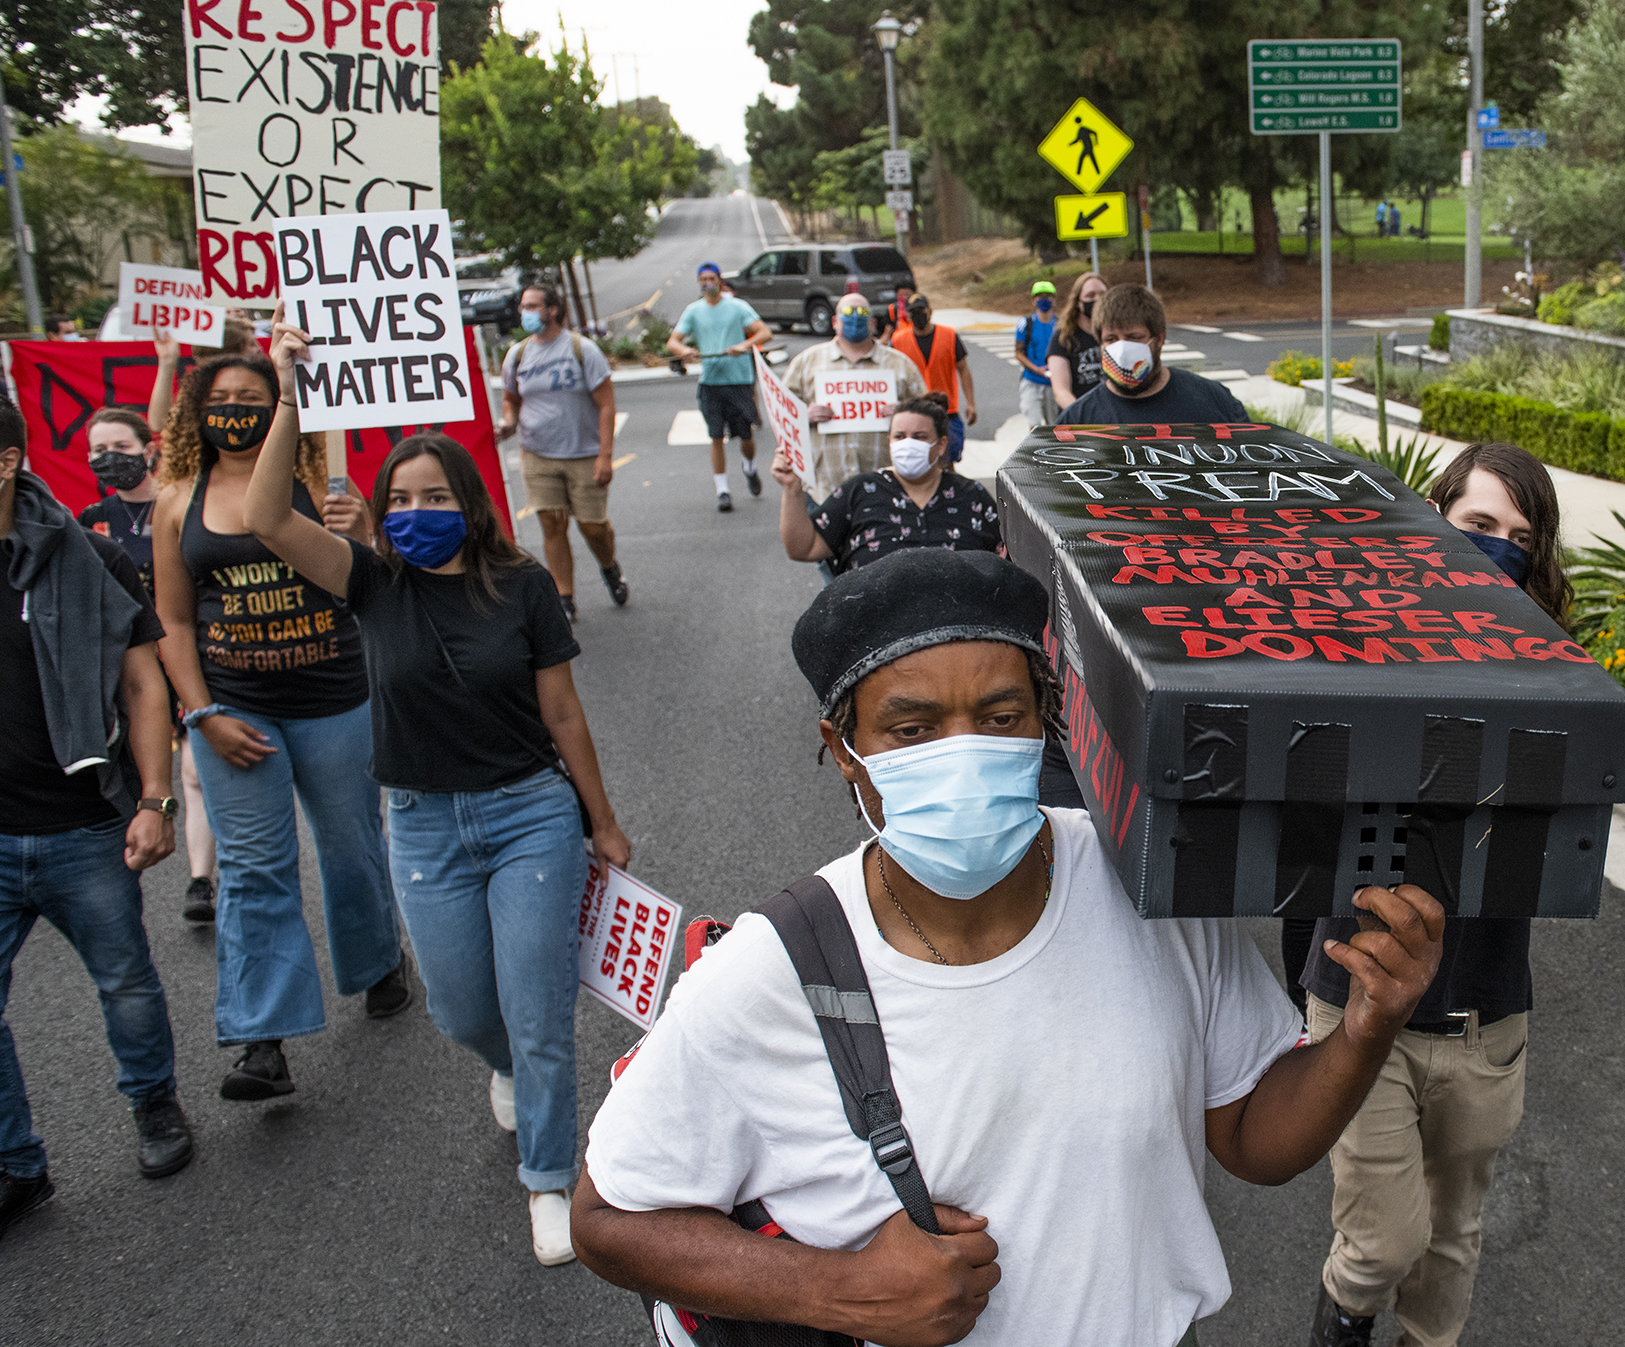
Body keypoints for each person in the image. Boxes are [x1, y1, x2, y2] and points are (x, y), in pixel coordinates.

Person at [570, 547, 1445, 1344]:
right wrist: (835, 1289)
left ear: (1044, 721)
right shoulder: (771, 972)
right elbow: (608, 1218)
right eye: (912, 730)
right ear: (845, 748)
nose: (964, 753)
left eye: (999, 715)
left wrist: (1367, 1025)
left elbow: (1254, 1136)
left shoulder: (1147, 891)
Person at [247, 300, 634, 1267]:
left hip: (528, 817)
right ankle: (504, 1067)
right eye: (401, 498)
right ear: (381, 509)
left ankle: (549, 1179)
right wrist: (291, 389)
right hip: (420, 827)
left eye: (435, 495)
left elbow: (564, 715)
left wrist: (604, 822)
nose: (418, 512)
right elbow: (261, 516)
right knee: (465, 1009)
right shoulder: (371, 584)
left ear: (470, 498)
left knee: (541, 1008)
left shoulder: (526, 588)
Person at [1301, 440, 1572, 1347]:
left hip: (1483, 1019)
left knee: (1451, 1243)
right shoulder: (1356, 643)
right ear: (1434, 520)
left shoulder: (1558, 680)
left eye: (1517, 538)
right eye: (1477, 525)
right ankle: (1340, 1317)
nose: (1496, 547)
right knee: (1384, 1240)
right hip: (1360, 1004)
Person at [151, 349, 410, 1102]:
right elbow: (171, 618)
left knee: (353, 847)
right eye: (220, 397)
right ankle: (262, 1037)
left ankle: (376, 961)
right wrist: (203, 713)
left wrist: (362, 528)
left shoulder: (319, 485)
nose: (235, 408)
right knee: (255, 869)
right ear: (198, 411)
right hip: (234, 709)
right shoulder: (177, 499)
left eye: (252, 396)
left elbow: (375, 585)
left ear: (281, 408)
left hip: (337, 700)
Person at [0, 394, 194, 1239]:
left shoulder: (88, 558)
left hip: (83, 824)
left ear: (7, 461)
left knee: (125, 982)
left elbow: (144, 683)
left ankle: (154, 1105)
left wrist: (155, 798)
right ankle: (15, 1163)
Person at [77, 410, 218, 924]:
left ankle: (200, 879)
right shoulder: (88, 521)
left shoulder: (182, 508)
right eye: (97, 450)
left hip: (183, 656)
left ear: (148, 449)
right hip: (125, 668)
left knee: (193, 772)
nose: (108, 457)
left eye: (120, 444)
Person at [498, 283, 628, 620]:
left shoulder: (582, 350)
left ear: (552, 309)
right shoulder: (517, 355)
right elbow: (511, 398)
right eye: (523, 306)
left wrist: (605, 455)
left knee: (592, 527)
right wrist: (509, 421)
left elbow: (606, 405)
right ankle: (564, 597)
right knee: (552, 524)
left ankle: (609, 566)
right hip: (538, 454)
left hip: (583, 454)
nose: (524, 313)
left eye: (532, 306)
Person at [773, 392, 998, 574]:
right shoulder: (860, 491)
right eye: (900, 436)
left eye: (919, 437)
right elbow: (804, 548)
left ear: (940, 445)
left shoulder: (971, 497)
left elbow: (1007, 560)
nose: (908, 444)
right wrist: (792, 490)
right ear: (889, 441)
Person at [781, 294, 925, 499]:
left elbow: (929, 414)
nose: (855, 317)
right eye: (848, 312)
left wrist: (906, 413)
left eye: (863, 312)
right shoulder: (807, 362)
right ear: (834, 322)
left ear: (873, 323)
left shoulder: (900, 364)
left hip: (887, 488)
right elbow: (781, 412)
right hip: (824, 489)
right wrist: (804, 415)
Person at [1057, 284, 1251, 427]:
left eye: (1134, 337)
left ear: (1159, 340)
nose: (1122, 348)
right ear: (1100, 343)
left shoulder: (1213, 400)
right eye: (1111, 339)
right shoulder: (1077, 421)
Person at [666, 262, 773, 513]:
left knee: (746, 434)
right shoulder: (693, 311)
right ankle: (722, 490)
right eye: (702, 279)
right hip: (711, 383)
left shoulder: (737, 307)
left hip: (738, 380)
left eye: (710, 278)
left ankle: (750, 467)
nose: (706, 283)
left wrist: (743, 346)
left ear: (720, 281)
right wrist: (686, 352)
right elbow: (673, 341)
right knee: (716, 436)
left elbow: (764, 333)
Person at [888, 294, 977, 463]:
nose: (918, 315)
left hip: (946, 411)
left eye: (921, 310)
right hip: (913, 412)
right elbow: (889, 375)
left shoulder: (949, 335)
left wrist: (970, 403)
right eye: (913, 312)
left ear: (930, 311)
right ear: (907, 315)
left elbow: (963, 369)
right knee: (918, 461)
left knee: (947, 459)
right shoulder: (898, 340)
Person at [147, 321, 257, 437]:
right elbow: (159, 424)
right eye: (252, 344)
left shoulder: (261, 384)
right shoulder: (198, 389)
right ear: (231, 352)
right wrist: (167, 362)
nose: (259, 349)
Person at [1047, 271, 1108, 411]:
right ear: (1078, 302)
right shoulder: (1063, 338)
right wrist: (1084, 417)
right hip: (1079, 420)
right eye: (1090, 295)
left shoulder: (1117, 335)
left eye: (1103, 295)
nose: (1097, 300)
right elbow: (1061, 392)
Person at [1014, 280, 1059, 426]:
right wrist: (1036, 369)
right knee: (1034, 424)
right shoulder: (1026, 324)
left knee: (1055, 425)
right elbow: (1018, 352)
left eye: (1048, 296)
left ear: (1054, 300)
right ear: (1034, 301)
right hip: (1032, 381)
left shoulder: (1060, 324)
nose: (1044, 300)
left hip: (1054, 384)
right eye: (1040, 297)